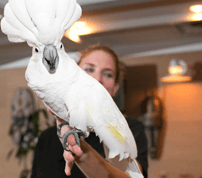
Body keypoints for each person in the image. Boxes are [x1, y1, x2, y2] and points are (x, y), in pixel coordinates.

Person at [31, 44, 148, 178]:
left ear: (115, 88)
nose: (97, 79)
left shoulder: (131, 128)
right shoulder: (48, 138)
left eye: (107, 74)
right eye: (89, 69)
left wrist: (78, 146)